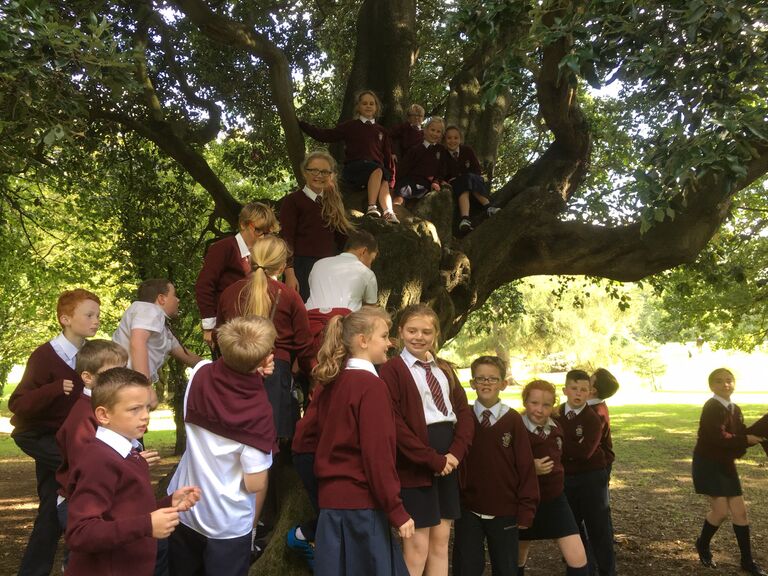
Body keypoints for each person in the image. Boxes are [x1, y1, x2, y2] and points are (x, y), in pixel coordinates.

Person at [167, 316, 277, 576]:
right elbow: (254, 484)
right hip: (226, 524)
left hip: (184, 509)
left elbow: (228, 384)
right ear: (264, 359)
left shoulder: (200, 373)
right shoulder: (260, 414)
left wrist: (252, 370)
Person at [65, 368, 201, 576]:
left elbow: (124, 512)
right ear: (103, 415)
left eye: (147, 407)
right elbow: (80, 533)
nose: (145, 416)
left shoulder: (128, 453)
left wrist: (167, 503)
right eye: (134, 409)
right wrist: (147, 525)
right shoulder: (99, 461)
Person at [311, 308, 415, 576]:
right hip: (362, 510)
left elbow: (307, 440)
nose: (390, 342)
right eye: (384, 335)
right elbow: (378, 456)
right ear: (363, 340)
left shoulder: (330, 382)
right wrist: (397, 510)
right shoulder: (371, 387)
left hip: (331, 510)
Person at [9, 288, 100, 576]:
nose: (96, 321)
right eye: (89, 315)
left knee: (51, 508)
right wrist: (52, 390)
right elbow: (18, 403)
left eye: (97, 315)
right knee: (88, 481)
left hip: (69, 439)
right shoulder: (45, 356)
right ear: (65, 319)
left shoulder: (89, 355)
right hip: (40, 439)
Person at [379, 303, 474, 576]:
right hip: (416, 464)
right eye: (412, 330)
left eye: (426, 332)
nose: (419, 337)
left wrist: (454, 454)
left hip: (448, 463)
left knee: (440, 542)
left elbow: (463, 413)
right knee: (417, 546)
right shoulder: (392, 370)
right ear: (399, 333)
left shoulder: (444, 369)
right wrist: (431, 459)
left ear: (436, 335)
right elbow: (394, 424)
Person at [217, 235, 315, 439]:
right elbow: (304, 346)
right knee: (271, 445)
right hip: (276, 374)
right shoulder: (289, 296)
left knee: (236, 440)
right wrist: (313, 375)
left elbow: (220, 336)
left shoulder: (228, 293)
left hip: (234, 372)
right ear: (281, 268)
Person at [452, 356, 538, 576]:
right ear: (472, 384)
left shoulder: (513, 421)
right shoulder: (464, 418)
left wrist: (526, 508)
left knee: (506, 567)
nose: (486, 383)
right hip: (468, 508)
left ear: (503, 384)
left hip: (505, 509)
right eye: (481, 378)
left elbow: (526, 466)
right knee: (467, 567)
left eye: (493, 378)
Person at [692, 368, 766, 576]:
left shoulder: (735, 408)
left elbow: (739, 433)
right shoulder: (712, 407)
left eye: (729, 380)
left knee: (740, 512)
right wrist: (745, 440)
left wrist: (759, 430)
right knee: (720, 512)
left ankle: (747, 561)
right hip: (709, 464)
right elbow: (718, 437)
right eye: (719, 381)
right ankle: (702, 544)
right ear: (711, 386)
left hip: (725, 463)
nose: (725, 384)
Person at [55, 340, 132, 529]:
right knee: (82, 557)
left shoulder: (105, 407)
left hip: (100, 498)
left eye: (123, 370)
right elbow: (85, 467)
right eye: (112, 374)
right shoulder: (83, 416)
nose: (122, 379)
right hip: (80, 503)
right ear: (88, 378)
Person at [518, 379, 589, 576]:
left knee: (577, 555)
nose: (539, 410)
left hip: (555, 499)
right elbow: (501, 466)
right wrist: (529, 468)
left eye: (546, 405)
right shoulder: (515, 428)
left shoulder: (556, 428)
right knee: (518, 554)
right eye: (534, 403)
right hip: (525, 500)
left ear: (553, 405)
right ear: (525, 402)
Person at [298, 90, 399, 223]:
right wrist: (302, 125)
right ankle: (372, 207)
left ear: (376, 107)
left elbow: (387, 156)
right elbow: (327, 135)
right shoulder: (350, 126)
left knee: (384, 178)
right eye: (364, 103)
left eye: (371, 104)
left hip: (375, 171)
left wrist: (391, 179)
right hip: (355, 168)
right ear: (358, 107)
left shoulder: (381, 131)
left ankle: (388, 212)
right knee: (378, 171)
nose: (368, 106)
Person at [554, 369, 616, 576]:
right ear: (565, 390)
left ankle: (607, 571)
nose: (578, 393)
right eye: (574, 388)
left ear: (590, 392)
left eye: (584, 389)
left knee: (599, 529)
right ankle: (580, 570)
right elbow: (548, 444)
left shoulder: (593, 417)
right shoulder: (556, 415)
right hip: (565, 479)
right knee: (572, 530)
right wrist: (562, 448)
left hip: (592, 478)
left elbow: (584, 452)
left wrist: (560, 446)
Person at [194, 202, 279, 349]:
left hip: (255, 328)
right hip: (227, 326)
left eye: (267, 232)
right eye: (258, 230)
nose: (262, 237)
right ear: (243, 225)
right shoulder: (224, 248)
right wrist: (209, 326)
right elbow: (204, 285)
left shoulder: (263, 253)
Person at [279, 150, 355, 301]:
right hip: (301, 267)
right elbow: (286, 239)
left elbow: (343, 240)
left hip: (327, 268)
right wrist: (289, 272)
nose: (319, 175)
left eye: (324, 172)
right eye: (313, 170)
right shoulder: (293, 201)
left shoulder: (332, 204)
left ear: (331, 175)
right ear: (304, 172)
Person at [112, 279, 202, 387]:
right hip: (123, 383)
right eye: (174, 295)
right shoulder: (150, 310)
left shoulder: (162, 330)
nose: (178, 300)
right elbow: (138, 342)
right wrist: (144, 385)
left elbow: (186, 356)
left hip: (122, 382)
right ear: (161, 299)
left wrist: (216, 367)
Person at [305, 228, 379, 352]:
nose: (370, 265)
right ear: (364, 251)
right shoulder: (366, 273)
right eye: (371, 260)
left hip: (310, 326)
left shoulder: (319, 264)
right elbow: (370, 311)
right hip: (344, 332)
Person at [443, 125, 500, 234]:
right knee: (463, 181)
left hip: (472, 181)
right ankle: (465, 218)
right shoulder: (444, 155)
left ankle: (489, 208)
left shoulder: (467, 150)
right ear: (445, 140)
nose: (452, 141)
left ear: (460, 139)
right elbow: (444, 173)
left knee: (469, 178)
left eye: (456, 138)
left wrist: (467, 176)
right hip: (456, 184)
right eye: (449, 138)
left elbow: (476, 169)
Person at [394, 116, 450, 203]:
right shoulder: (416, 148)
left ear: (441, 135)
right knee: (401, 196)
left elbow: (441, 170)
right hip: (409, 181)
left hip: (426, 184)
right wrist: (395, 182)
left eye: (438, 132)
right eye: (432, 130)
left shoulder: (441, 150)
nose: (435, 134)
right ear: (426, 130)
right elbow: (404, 167)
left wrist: (436, 181)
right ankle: (393, 211)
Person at [588, 368, 619, 477]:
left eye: (589, 380)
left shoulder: (595, 412)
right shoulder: (597, 406)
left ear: (593, 390)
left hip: (598, 467)